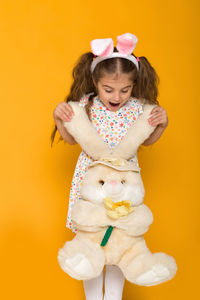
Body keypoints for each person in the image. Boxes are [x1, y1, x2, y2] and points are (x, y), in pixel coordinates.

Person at [51, 33, 169, 300]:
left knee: (121, 241)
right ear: (95, 82)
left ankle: (113, 297)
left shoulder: (138, 109)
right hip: (91, 185)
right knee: (92, 241)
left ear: (133, 85)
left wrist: (161, 124)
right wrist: (60, 119)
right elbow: (70, 139)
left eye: (125, 90)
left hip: (124, 186)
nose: (117, 96)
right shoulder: (87, 105)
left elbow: (147, 140)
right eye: (109, 89)